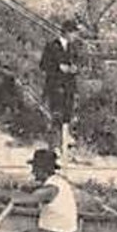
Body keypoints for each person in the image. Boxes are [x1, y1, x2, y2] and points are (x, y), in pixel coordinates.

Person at [3, 148, 79, 232]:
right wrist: (23, 188)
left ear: (42, 170)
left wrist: (4, 197)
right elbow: (34, 190)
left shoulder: (51, 188)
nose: (32, 172)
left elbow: (27, 199)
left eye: (35, 169)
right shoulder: (58, 181)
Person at [39, 19, 82, 153]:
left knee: (67, 118)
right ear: (67, 32)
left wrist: (75, 68)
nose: (75, 36)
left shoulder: (73, 48)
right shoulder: (51, 46)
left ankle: (65, 148)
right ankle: (54, 148)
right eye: (74, 33)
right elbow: (43, 65)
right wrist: (58, 67)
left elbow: (80, 64)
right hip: (55, 88)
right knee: (56, 117)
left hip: (69, 88)